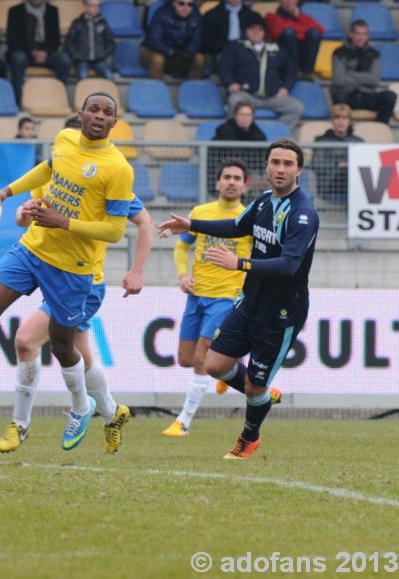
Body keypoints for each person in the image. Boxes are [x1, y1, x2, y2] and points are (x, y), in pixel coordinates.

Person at [0, 92, 134, 454]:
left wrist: (63, 221)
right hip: (32, 249)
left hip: (73, 268)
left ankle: (82, 408)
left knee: (65, 349)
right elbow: (48, 169)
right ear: (80, 114)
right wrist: (6, 192)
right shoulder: (64, 140)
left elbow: (114, 230)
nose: (99, 116)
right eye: (93, 109)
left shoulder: (119, 169)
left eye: (107, 112)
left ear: (115, 122)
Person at [0, 125, 153, 453]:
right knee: (81, 355)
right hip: (48, 266)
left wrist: (137, 270)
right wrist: (24, 214)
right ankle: (113, 413)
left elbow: (143, 222)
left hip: (82, 280)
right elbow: (27, 221)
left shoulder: (108, 176)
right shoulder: (53, 172)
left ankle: (20, 425)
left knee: (26, 340)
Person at [158, 138, 319, 459]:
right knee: (214, 364)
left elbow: (289, 265)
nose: (280, 169)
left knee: (253, 388)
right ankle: (261, 393)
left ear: (299, 170)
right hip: (250, 303)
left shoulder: (303, 214)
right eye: (276, 162)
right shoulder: (262, 201)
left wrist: (240, 263)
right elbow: (235, 226)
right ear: (267, 165)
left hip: (282, 312)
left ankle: (249, 436)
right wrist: (192, 225)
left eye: (288, 164)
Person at [161, 159, 254, 438]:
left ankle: (184, 421)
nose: (231, 182)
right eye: (227, 177)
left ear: (244, 185)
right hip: (197, 295)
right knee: (186, 358)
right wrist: (182, 275)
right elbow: (181, 247)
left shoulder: (249, 218)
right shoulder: (201, 213)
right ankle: (233, 369)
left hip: (227, 296)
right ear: (217, 183)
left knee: (203, 354)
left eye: (237, 178)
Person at [217, 13, 304, 131]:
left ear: (264, 32)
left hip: (272, 97)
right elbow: (224, 67)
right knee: (234, 101)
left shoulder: (276, 49)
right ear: (246, 30)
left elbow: (291, 71)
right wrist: (231, 83)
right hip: (246, 95)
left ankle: (276, 137)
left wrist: (285, 88)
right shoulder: (235, 47)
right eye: (252, 28)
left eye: (260, 29)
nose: (256, 32)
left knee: (296, 107)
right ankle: (236, 136)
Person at [331, 20, 397, 126]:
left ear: (368, 36)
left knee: (390, 96)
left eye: (364, 34)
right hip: (346, 95)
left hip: (368, 95)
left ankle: (380, 129)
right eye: (358, 34)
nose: (361, 37)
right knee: (339, 97)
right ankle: (346, 132)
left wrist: (350, 74)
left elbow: (374, 80)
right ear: (351, 34)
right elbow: (339, 80)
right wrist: (365, 79)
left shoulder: (374, 54)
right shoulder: (339, 53)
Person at [6, 0, 71, 106]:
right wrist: (33, 52)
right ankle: (17, 102)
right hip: (25, 53)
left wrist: (46, 52)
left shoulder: (52, 11)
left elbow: (56, 39)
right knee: (17, 58)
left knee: (64, 60)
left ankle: (58, 98)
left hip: (46, 53)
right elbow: (12, 40)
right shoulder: (15, 11)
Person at [208, 100, 266, 192]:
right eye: (241, 114)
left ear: (252, 117)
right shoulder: (224, 132)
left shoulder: (258, 135)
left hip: (250, 174)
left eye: (248, 115)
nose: (245, 118)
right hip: (226, 172)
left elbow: (261, 161)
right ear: (235, 115)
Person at [140, 0, 204, 80]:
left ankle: (194, 90)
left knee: (199, 59)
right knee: (158, 59)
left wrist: (190, 51)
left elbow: (197, 40)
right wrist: (171, 52)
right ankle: (156, 90)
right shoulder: (161, 13)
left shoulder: (196, 16)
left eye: (190, 4)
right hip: (153, 51)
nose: (185, 7)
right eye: (181, 3)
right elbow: (154, 40)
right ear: (174, 3)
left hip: (180, 53)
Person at [312, 103, 363, 205]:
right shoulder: (321, 141)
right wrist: (338, 165)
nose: (341, 121)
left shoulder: (359, 141)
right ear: (332, 120)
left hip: (354, 183)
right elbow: (317, 165)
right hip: (329, 185)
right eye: (337, 117)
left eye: (345, 118)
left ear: (349, 121)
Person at [265, 0, 323, 78]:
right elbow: (277, 32)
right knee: (289, 33)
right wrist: (302, 30)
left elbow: (320, 30)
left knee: (314, 33)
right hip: (281, 52)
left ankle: (306, 74)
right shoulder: (271, 16)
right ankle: (293, 72)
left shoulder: (302, 17)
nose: (289, 2)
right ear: (280, 1)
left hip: (302, 54)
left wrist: (299, 16)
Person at [63, 0, 115, 81]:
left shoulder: (103, 22)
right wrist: (76, 55)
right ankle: (82, 93)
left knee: (110, 76)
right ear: (87, 7)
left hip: (99, 60)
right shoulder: (77, 23)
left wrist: (104, 54)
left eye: (98, 6)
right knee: (82, 77)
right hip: (82, 60)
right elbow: (69, 43)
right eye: (93, 6)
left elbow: (111, 42)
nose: (96, 9)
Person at [201, 0, 256, 68]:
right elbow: (206, 42)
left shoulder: (252, 16)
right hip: (221, 52)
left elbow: (258, 40)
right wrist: (227, 48)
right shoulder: (211, 15)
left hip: (247, 52)